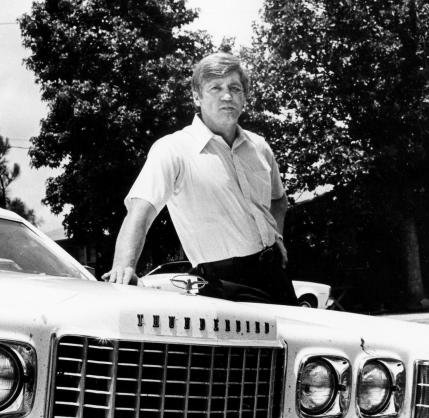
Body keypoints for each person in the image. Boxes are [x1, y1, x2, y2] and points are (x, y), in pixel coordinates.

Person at [103, 52, 297, 305]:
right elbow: (141, 210)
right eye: (216, 88)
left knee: (296, 343)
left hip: (275, 273)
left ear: (244, 98)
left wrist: (277, 237)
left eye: (235, 88)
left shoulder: (259, 147)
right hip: (223, 284)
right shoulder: (173, 149)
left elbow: (279, 201)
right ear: (197, 97)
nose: (227, 96)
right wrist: (123, 266)